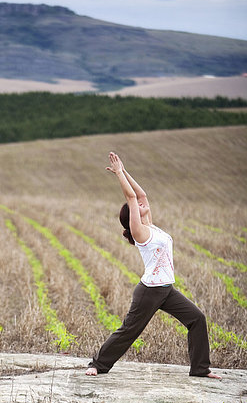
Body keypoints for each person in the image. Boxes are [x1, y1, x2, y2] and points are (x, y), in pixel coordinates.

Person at [86, 152, 221, 379]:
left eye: (142, 204)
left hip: (166, 289)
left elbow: (141, 194)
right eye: (138, 206)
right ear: (133, 218)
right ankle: (97, 364)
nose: (142, 203)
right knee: (130, 330)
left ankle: (200, 369)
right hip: (149, 292)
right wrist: (118, 174)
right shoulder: (141, 233)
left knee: (197, 318)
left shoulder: (151, 225)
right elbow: (131, 197)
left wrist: (125, 170)